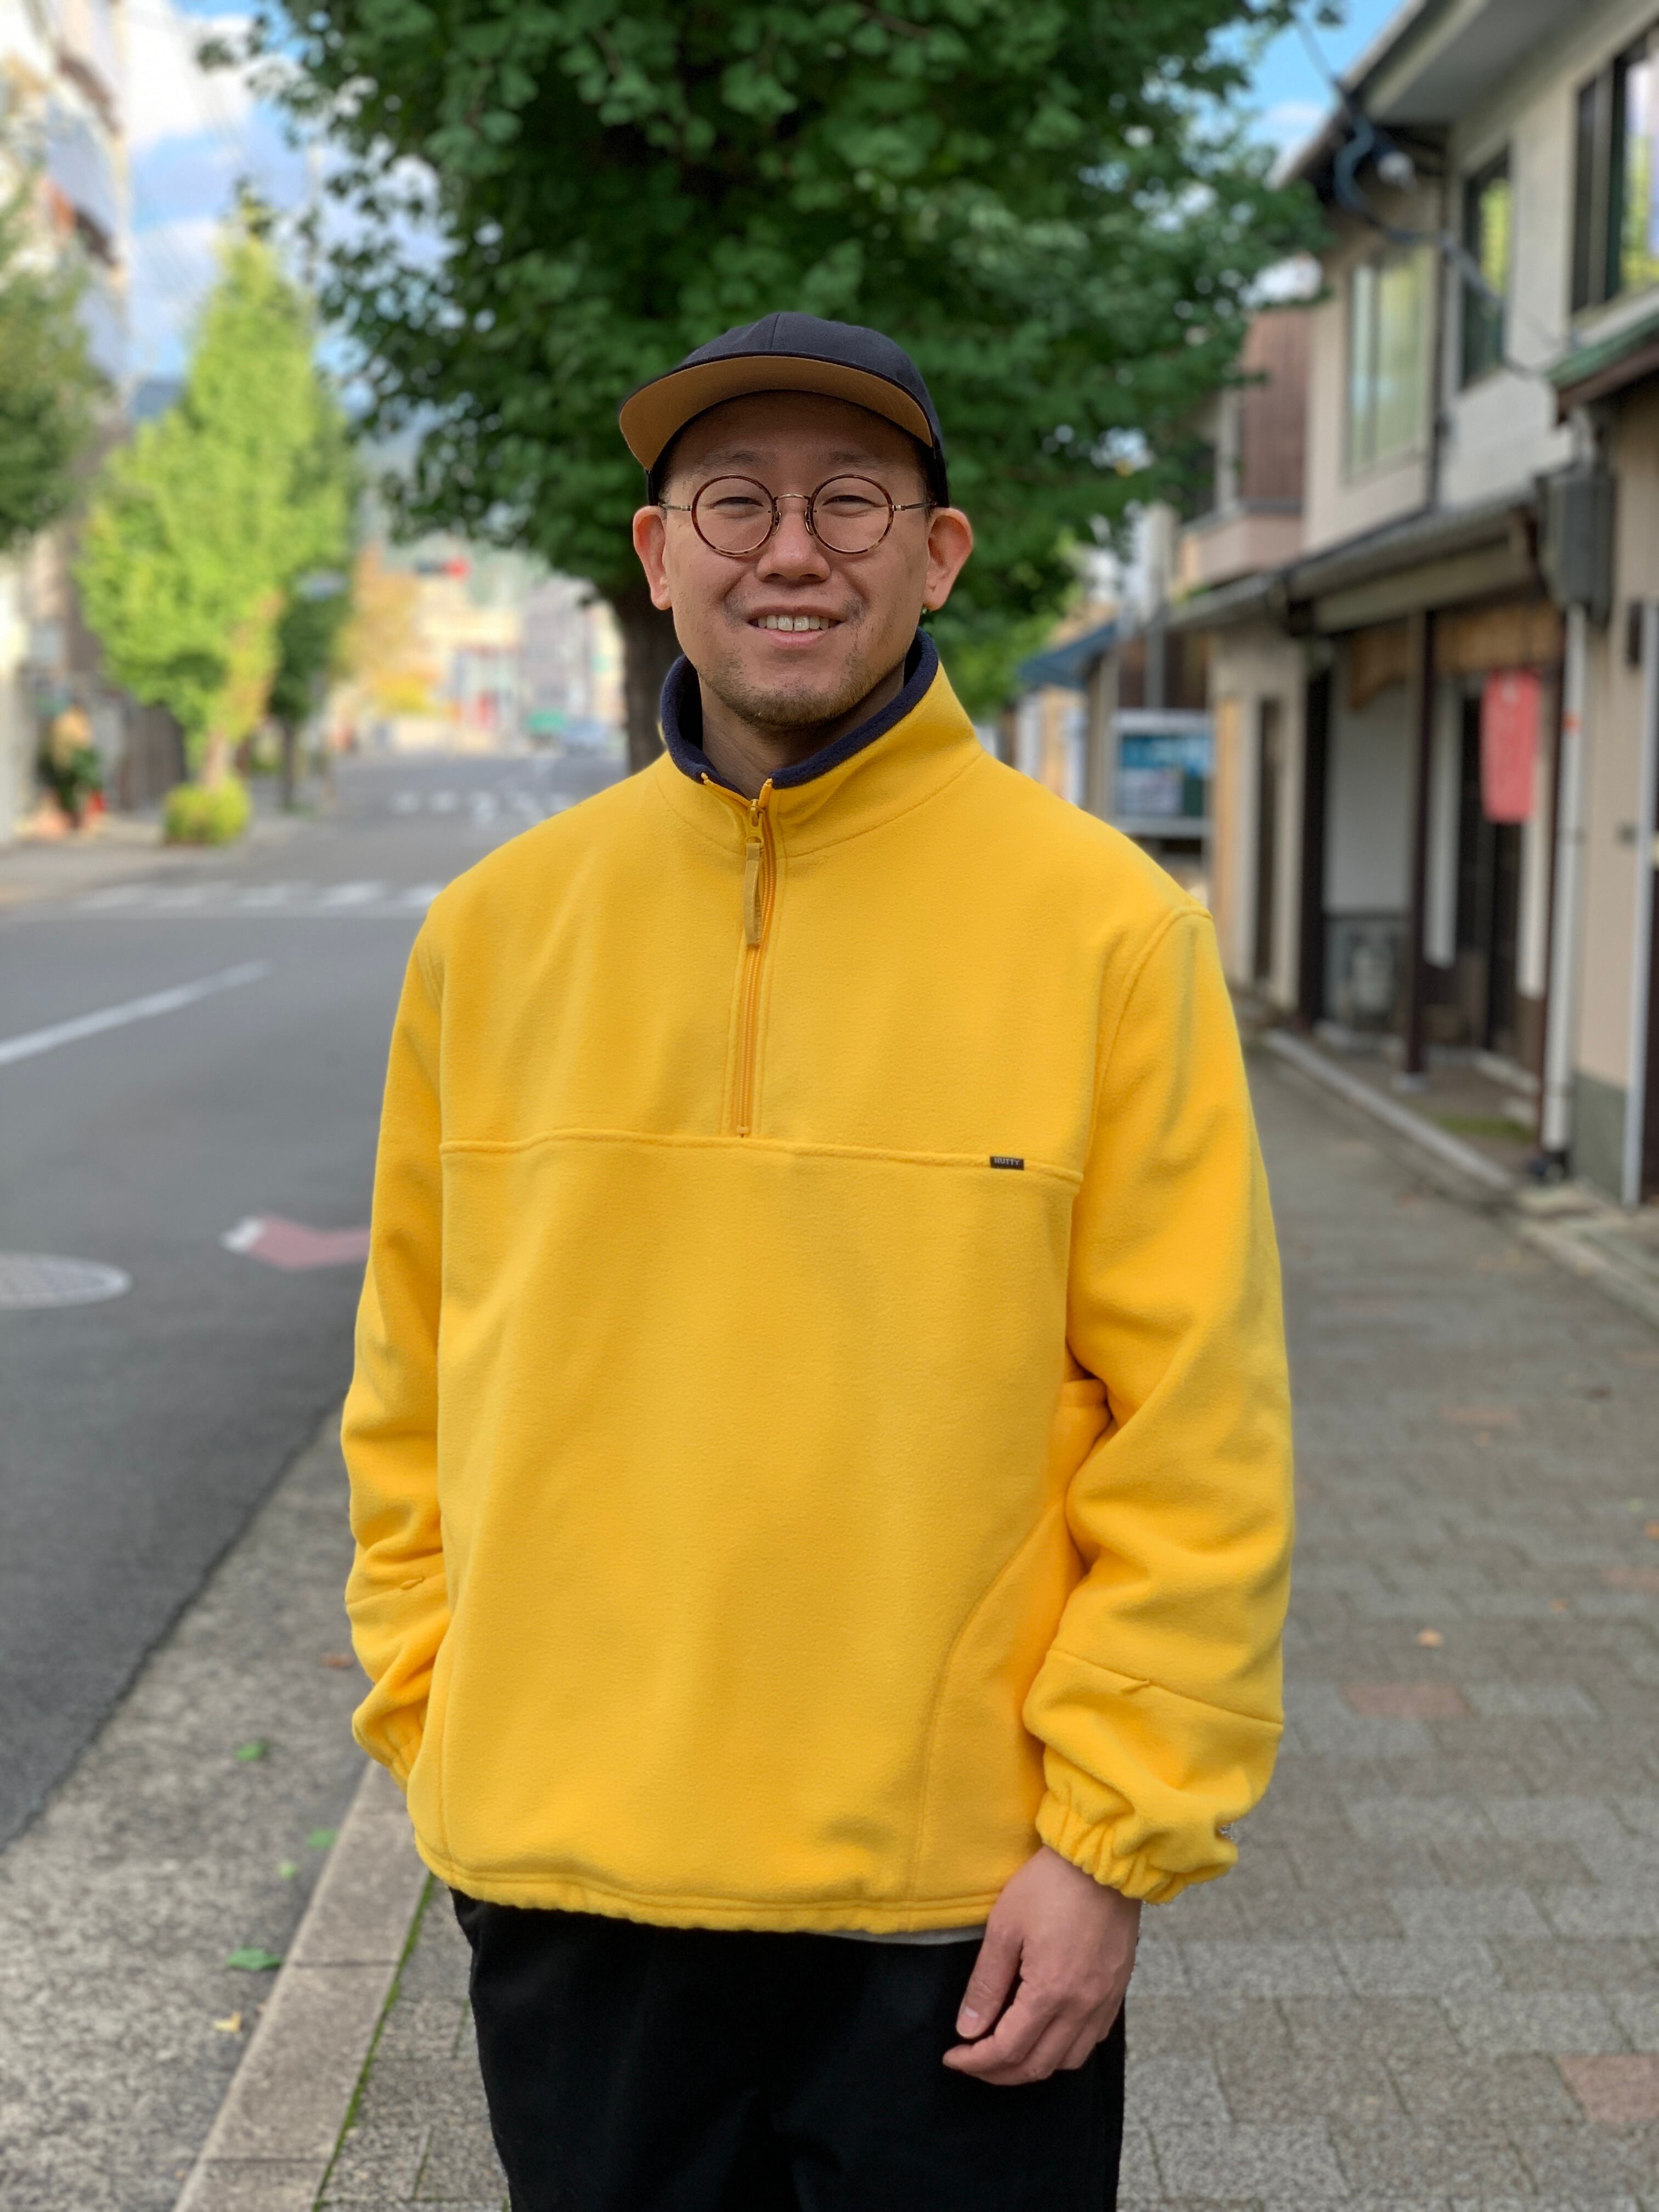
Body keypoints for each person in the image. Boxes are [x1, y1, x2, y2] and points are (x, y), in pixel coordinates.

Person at [343, 312, 1293, 2212]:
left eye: (853, 501)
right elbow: (409, 1387)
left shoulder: (1108, 933)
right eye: (737, 503)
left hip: (956, 1914)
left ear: (939, 556)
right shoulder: (493, 934)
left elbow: (1200, 1436)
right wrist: (441, 1716)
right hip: (572, 1890)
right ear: (658, 555)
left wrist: (1109, 1843)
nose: (794, 549)